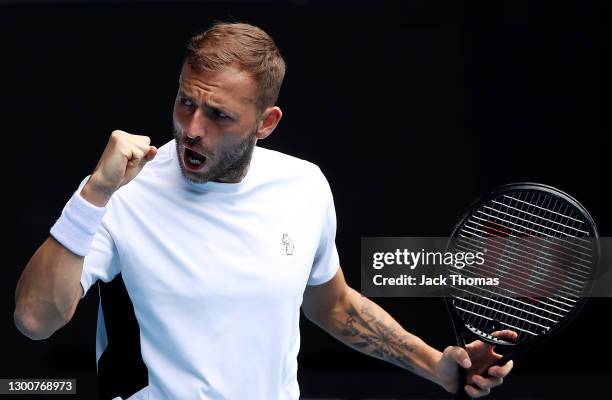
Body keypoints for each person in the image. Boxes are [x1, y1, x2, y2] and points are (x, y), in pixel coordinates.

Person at [14, 22, 514, 399]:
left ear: (266, 122)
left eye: (218, 115)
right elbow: (34, 320)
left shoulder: (304, 186)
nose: (192, 128)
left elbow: (332, 304)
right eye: (186, 103)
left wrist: (436, 365)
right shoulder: (120, 190)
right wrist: (94, 196)